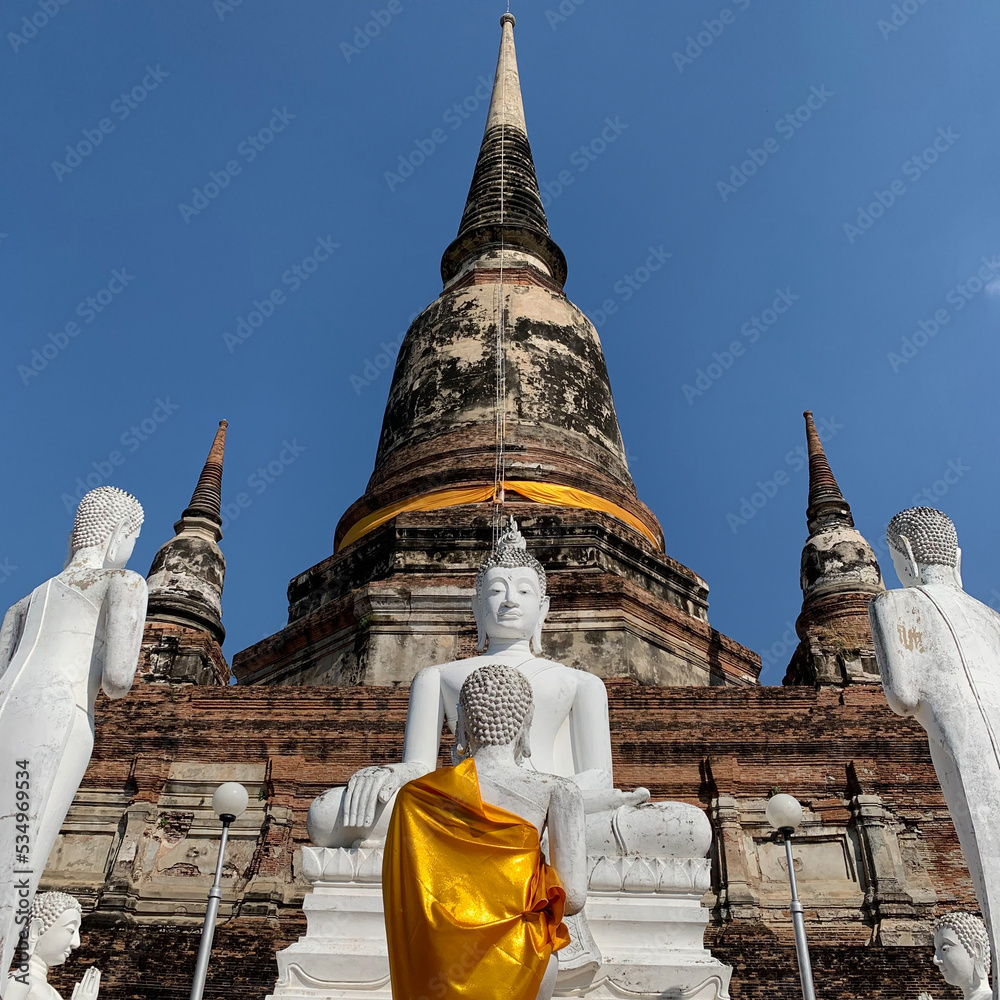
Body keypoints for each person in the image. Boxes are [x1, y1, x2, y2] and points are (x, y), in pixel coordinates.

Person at [0, 488, 147, 982]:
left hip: (8, 709)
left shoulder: (22, 603)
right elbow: (118, 681)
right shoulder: (123, 581)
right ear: (121, 536)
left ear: (75, 535)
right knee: (24, 845)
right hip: (61, 712)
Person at [382, 663, 587, 1000]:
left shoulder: (417, 797)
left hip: (441, 964)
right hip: (527, 954)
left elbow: (410, 898)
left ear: (461, 720)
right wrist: (528, 877)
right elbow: (574, 897)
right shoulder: (557, 791)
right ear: (527, 720)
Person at [871, 506, 1000, 999]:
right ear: (957, 555)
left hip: (959, 734)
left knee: (987, 855)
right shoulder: (992, 618)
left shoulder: (896, 603)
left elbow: (902, 696)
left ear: (901, 555)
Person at [4, 892, 100, 1000]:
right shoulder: (19, 982)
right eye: (71, 930)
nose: (76, 943)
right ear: (36, 931)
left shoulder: (43, 987)